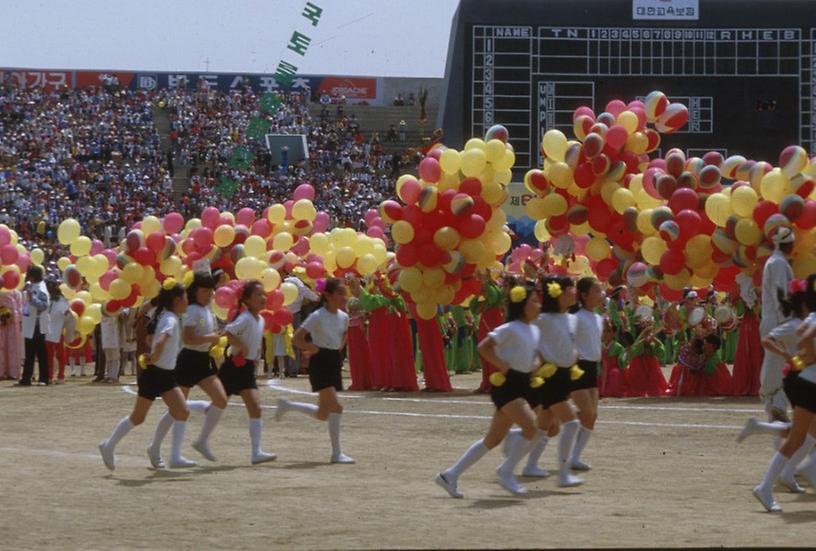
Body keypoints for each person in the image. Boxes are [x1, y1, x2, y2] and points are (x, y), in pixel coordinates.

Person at [435, 284, 540, 498]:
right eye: (534, 300)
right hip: (508, 386)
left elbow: (534, 353)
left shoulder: (534, 329)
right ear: (521, 303)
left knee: (492, 440)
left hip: (524, 384)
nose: (539, 304)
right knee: (531, 427)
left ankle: (450, 475)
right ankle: (505, 471)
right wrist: (504, 367)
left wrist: (535, 365)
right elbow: (484, 346)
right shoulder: (510, 328)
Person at [98, 281, 195, 470]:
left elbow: (153, 337)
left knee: (180, 411)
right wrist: (155, 356)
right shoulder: (171, 319)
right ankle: (108, 446)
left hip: (165, 375)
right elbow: (159, 341)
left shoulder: (168, 316)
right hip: (155, 374)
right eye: (185, 297)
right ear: (177, 300)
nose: (187, 301)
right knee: (139, 417)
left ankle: (155, 450)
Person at [146, 272, 228, 467]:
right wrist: (211, 338)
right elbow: (189, 338)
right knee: (176, 410)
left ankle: (201, 441)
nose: (209, 294)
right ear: (194, 291)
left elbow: (205, 336)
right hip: (186, 361)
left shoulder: (206, 309)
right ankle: (157, 447)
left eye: (211, 290)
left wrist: (216, 339)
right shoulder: (191, 310)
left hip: (202, 360)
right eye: (205, 290)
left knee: (221, 399)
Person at [751, 274, 816, 512]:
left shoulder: (808, 319)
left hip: (806, 381)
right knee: (797, 438)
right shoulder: (809, 321)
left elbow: (807, 350)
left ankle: (786, 476)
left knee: (802, 437)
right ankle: (768, 486)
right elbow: (804, 342)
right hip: (807, 384)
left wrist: (799, 358)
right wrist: (794, 358)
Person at [276, 278, 355, 464]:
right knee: (336, 407)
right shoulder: (318, 315)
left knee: (323, 413)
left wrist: (337, 350)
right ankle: (336, 454)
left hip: (333, 361)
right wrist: (312, 349)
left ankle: (288, 405)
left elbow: (344, 334)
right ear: (328, 295)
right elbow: (296, 338)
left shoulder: (344, 317)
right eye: (340, 293)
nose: (344, 297)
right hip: (320, 363)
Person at [218, 280, 277, 465]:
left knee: (255, 407)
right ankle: (186, 407)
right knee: (215, 406)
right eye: (258, 295)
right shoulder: (244, 317)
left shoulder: (260, 319)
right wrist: (241, 345)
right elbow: (227, 332)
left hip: (247, 368)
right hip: (233, 367)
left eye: (264, 294)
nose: (263, 298)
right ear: (247, 299)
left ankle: (256, 452)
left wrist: (255, 354)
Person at [754, 227, 795, 410]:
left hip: (777, 320)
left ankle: (777, 402)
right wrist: (786, 325)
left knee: (786, 364)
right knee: (775, 363)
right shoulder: (778, 263)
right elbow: (781, 295)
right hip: (778, 321)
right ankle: (770, 398)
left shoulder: (777, 261)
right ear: (789, 243)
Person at [569, 277, 604, 471]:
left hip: (592, 368)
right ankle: (556, 413)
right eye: (596, 291)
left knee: (591, 416)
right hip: (577, 367)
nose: (601, 295)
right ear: (584, 295)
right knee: (587, 413)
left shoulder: (598, 318)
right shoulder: (576, 317)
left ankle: (574, 457)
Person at [282, 270, 319, 377]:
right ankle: (293, 369)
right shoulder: (295, 280)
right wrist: (317, 298)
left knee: (285, 341)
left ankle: (287, 368)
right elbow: (304, 291)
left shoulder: (280, 281)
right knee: (295, 341)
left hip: (282, 314)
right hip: (294, 314)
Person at [18, 265, 50, 386]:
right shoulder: (30, 285)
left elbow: (44, 305)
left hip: (38, 324)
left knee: (41, 353)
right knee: (29, 353)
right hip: (29, 323)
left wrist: (33, 299)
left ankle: (44, 378)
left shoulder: (42, 288)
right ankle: (26, 378)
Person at [45, 281, 69, 384]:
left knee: (60, 354)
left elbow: (66, 313)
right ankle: (50, 376)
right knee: (49, 355)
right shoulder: (47, 299)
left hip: (58, 330)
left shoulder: (62, 300)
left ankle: (61, 376)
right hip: (48, 329)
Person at [0, 286, 23, 380]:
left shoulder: (16, 293)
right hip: (6, 324)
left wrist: (13, 318)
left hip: (12, 324)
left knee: (11, 347)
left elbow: (20, 308)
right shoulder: (16, 293)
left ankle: (11, 372)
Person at [101, 310, 122, 383]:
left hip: (114, 338)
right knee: (108, 358)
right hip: (106, 339)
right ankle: (109, 375)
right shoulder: (102, 315)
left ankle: (114, 376)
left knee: (115, 357)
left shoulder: (115, 314)